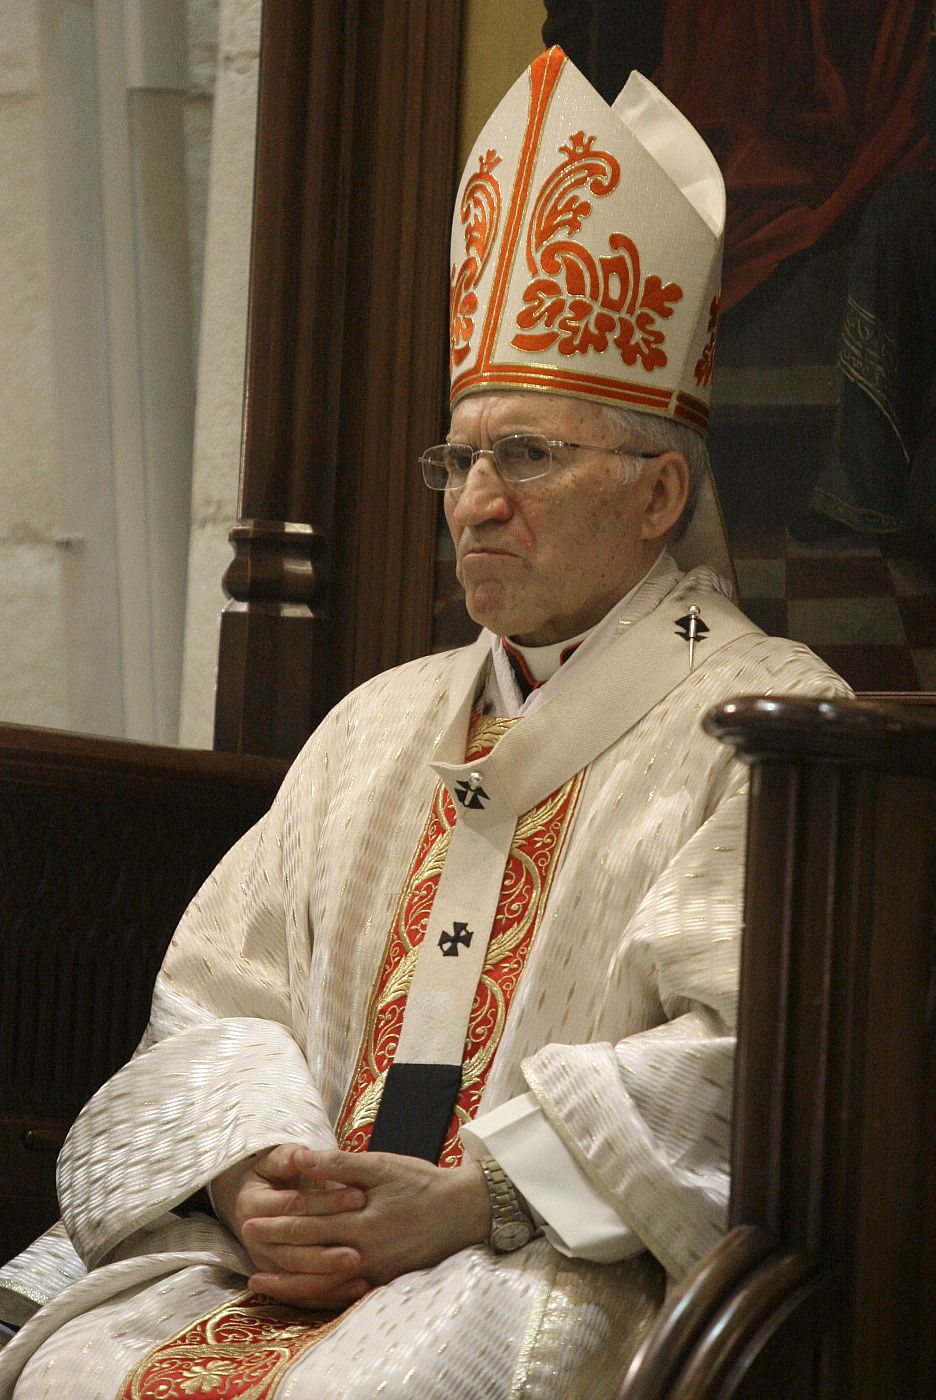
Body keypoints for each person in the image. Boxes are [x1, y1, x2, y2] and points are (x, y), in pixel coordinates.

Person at [0, 47, 847, 1399]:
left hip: (549, 1257)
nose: (472, 502)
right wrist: (253, 1172)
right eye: (457, 458)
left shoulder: (772, 724)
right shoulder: (374, 727)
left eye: (526, 456)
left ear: (659, 493)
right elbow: (218, 1002)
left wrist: (475, 1197)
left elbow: (758, 1075)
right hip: (290, 1262)